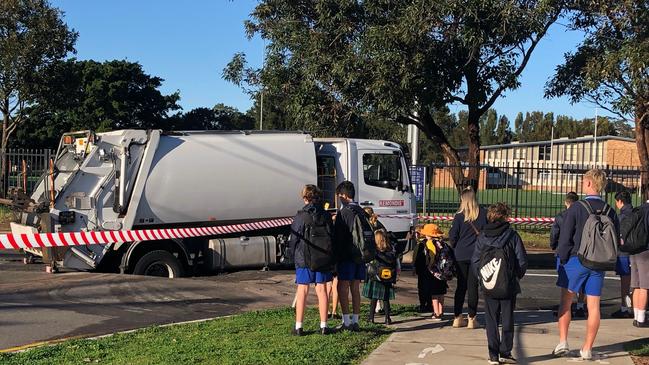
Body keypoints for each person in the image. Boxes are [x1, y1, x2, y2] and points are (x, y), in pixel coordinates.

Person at [554, 169, 619, 360]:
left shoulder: (576, 208)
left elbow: (565, 237)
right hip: (599, 261)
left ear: (589, 183)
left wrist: (562, 258)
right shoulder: (610, 210)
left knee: (566, 301)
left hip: (576, 259)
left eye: (584, 181)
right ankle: (587, 348)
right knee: (594, 306)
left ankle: (563, 341)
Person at [472, 203, 528, 365]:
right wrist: (515, 276)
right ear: (505, 217)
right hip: (508, 285)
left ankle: (493, 354)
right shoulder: (512, 236)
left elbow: (476, 261)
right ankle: (505, 351)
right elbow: (522, 261)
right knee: (508, 319)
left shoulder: (482, 236)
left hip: (489, 284)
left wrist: (483, 278)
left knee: (491, 320)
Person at [288, 185, 335, 336]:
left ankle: (299, 326)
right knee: (321, 290)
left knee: (303, 290)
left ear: (305, 198)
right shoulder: (326, 215)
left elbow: (294, 238)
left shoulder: (301, 216)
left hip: (304, 257)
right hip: (322, 258)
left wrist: (291, 253)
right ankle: (323, 325)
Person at [449, 186, 487, 329]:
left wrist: (456, 246)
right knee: (473, 287)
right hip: (476, 254)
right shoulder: (482, 214)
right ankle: (472, 318)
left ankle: (457, 317)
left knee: (460, 287)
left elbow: (453, 237)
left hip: (460, 254)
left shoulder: (459, 216)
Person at [333, 181, 367, 331]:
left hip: (346, 255)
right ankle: (356, 320)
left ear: (344, 195)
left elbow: (338, 237)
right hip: (360, 255)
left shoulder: (344, 212)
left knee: (342, 287)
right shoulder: (361, 211)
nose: (339, 198)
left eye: (340, 195)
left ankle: (346, 321)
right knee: (355, 287)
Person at [550, 192, 587, 318]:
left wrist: (554, 245)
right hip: (579, 251)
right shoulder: (583, 216)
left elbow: (554, 233)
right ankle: (581, 305)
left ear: (566, 202)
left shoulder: (561, 216)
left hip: (563, 251)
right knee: (581, 280)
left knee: (565, 281)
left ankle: (566, 306)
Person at [364, 229, 397, 324]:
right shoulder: (390, 249)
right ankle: (387, 318)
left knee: (374, 298)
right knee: (385, 298)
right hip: (387, 277)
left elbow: (367, 258)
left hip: (376, 277)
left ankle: (371, 318)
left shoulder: (375, 251)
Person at [421, 223, 450, 321]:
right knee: (441, 293)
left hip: (434, 273)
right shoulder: (443, 243)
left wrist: (429, 266)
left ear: (429, 235)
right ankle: (441, 311)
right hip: (443, 272)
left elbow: (432, 257)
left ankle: (436, 313)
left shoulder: (430, 243)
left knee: (434, 294)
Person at [612, 190, 634, 319]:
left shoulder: (620, 217)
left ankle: (624, 307)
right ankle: (638, 308)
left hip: (623, 253)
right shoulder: (637, 213)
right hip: (637, 251)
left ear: (620, 201)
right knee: (638, 282)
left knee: (625, 283)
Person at [630, 199, 649, 327]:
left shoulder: (638, 209)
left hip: (633, 249)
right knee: (645, 285)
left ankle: (636, 316)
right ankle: (642, 318)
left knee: (636, 284)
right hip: (646, 250)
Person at [414, 225, 434, 313]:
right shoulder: (426, 243)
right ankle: (428, 304)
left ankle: (424, 305)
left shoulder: (421, 244)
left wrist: (414, 267)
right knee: (428, 287)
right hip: (426, 268)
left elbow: (416, 257)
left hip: (423, 268)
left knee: (422, 288)